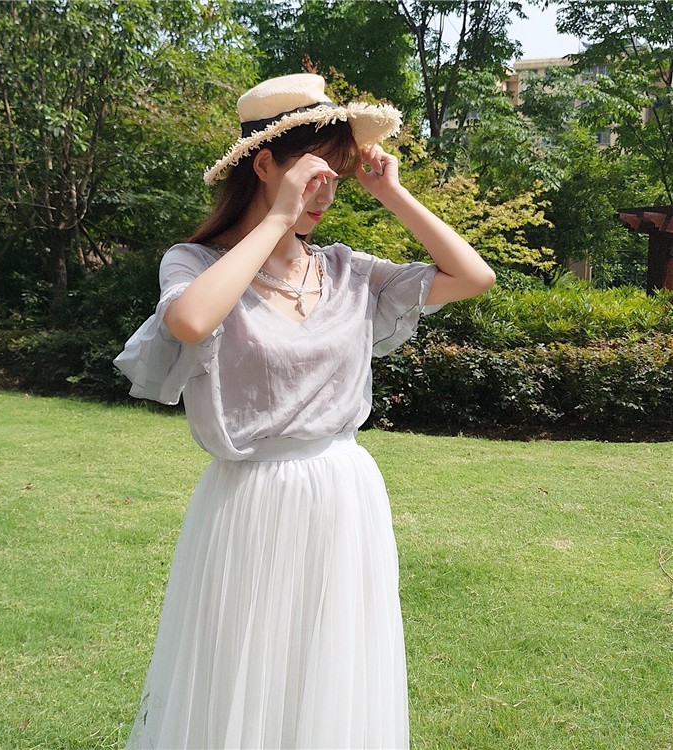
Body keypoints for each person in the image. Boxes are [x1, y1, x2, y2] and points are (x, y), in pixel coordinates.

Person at [114, 73, 495, 750]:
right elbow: (193, 321)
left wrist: (393, 193)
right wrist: (277, 220)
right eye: (314, 173)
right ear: (264, 165)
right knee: (242, 669)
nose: (326, 192)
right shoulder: (194, 262)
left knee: (329, 669)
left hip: (343, 494)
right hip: (250, 500)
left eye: (337, 177)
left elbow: (473, 276)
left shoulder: (347, 270)